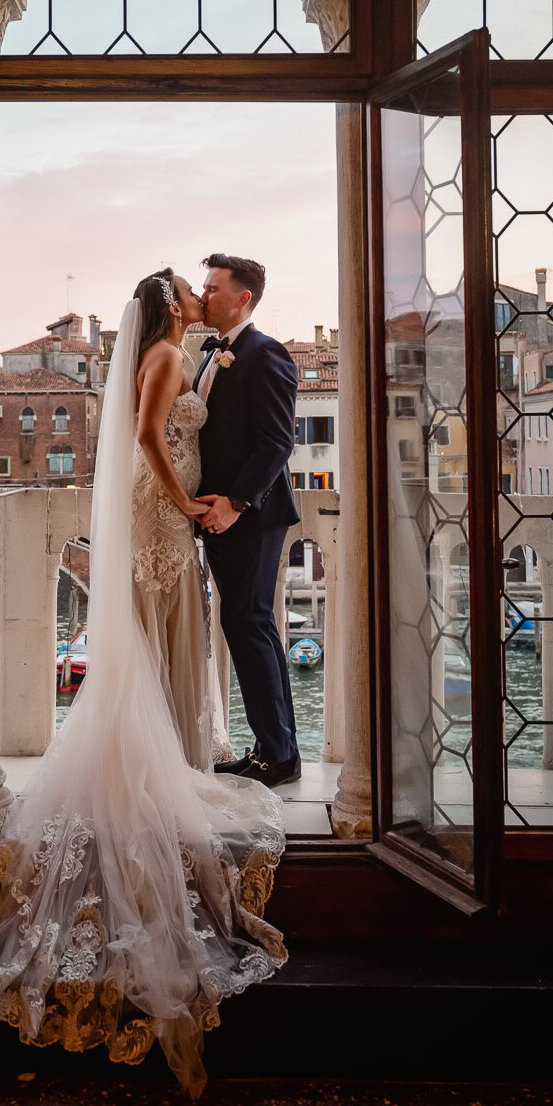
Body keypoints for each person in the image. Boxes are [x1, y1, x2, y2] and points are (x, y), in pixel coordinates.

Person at [0, 269, 287, 1097]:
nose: (199, 291)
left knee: (168, 639)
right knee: (164, 636)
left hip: (163, 512)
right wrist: (184, 503)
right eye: (190, 286)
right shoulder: (165, 357)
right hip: (163, 513)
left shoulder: (176, 351)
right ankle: (168, 764)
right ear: (173, 304)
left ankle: (173, 755)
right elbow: (152, 437)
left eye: (208, 283)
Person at [195, 254, 302, 787]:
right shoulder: (212, 353)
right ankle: (275, 747)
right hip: (221, 515)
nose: (203, 295)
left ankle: (277, 756)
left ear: (242, 298)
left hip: (252, 517)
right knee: (247, 625)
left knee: (250, 624)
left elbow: (278, 441)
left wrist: (234, 503)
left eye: (212, 288)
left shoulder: (266, 354)